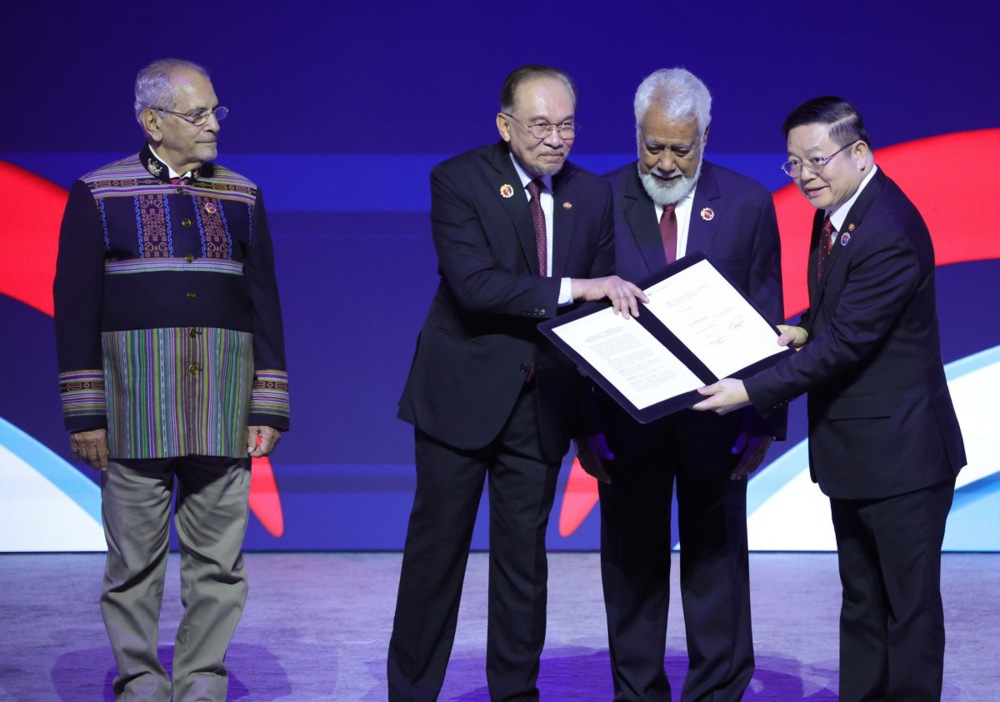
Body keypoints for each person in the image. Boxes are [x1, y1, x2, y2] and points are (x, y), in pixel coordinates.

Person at [387, 64, 647, 701]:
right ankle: (412, 692)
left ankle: (516, 694)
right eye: (540, 125)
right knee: (435, 558)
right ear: (505, 126)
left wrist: (595, 417)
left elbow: (602, 312)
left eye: (567, 125)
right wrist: (576, 288)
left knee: (522, 567)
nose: (556, 138)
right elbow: (474, 287)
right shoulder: (458, 180)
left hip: (542, 405)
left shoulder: (591, 193)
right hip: (460, 399)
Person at [693, 96, 965, 701]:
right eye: (793, 164)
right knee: (863, 600)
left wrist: (750, 390)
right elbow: (838, 315)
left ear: (859, 153)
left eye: (816, 159)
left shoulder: (889, 230)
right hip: (859, 453)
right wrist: (802, 325)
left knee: (908, 610)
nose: (805, 175)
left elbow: (847, 343)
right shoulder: (839, 212)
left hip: (903, 458)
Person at [53, 58, 289, 701]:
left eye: (216, 110)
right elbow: (74, 308)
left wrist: (267, 406)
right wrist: (86, 414)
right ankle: (140, 681)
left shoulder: (241, 193)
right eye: (197, 114)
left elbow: (264, 303)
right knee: (133, 564)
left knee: (220, 564)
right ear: (152, 122)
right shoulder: (98, 194)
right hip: (134, 410)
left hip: (222, 408)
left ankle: (202, 679)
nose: (213, 124)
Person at [576, 68, 785, 701]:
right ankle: (637, 694)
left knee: (716, 565)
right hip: (625, 425)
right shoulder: (599, 198)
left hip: (718, 423)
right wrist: (583, 427)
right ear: (636, 134)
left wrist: (764, 422)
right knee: (632, 568)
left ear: (706, 136)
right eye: (653, 146)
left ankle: (716, 693)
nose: (665, 162)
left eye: (681, 148)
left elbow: (769, 318)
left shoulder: (748, 203)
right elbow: (577, 320)